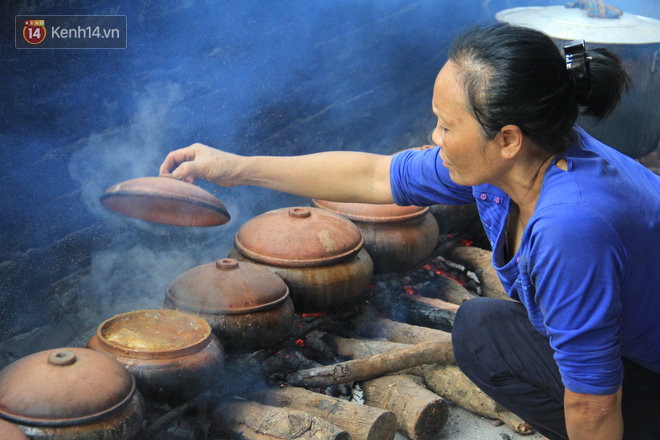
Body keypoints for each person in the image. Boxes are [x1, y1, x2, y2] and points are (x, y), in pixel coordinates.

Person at [160, 23, 660, 440]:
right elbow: (373, 176)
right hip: (633, 342)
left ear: (507, 139)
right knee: (479, 330)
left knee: (570, 395)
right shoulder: (522, 158)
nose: (434, 138)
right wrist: (237, 166)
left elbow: (593, 405)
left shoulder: (570, 227)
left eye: (446, 125)